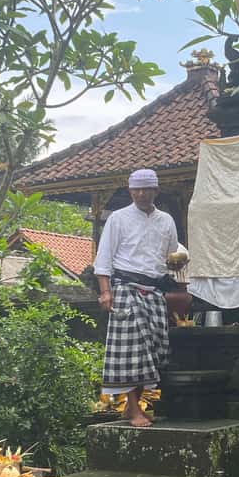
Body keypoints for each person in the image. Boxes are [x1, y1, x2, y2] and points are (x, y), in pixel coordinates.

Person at [93, 168, 183, 427]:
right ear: (130, 191)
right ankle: (133, 410)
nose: (141, 194)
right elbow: (104, 258)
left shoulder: (166, 220)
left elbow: (170, 255)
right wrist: (105, 291)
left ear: (156, 190)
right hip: (124, 287)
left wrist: (175, 265)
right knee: (132, 350)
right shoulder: (118, 219)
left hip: (154, 290)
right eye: (136, 190)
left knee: (155, 350)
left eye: (146, 189)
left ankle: (134, 407)